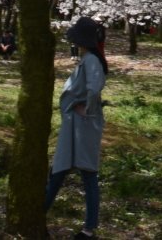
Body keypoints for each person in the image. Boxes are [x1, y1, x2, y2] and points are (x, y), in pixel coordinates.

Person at [44, 15, 107, 240]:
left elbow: (94, 87)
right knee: (59, 170)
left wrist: (86, 109)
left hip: (84, 125)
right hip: (74, 123)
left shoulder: (92, 60)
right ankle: (38, 214)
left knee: (87, 173)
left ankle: (89, 229)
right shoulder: (88, 58)